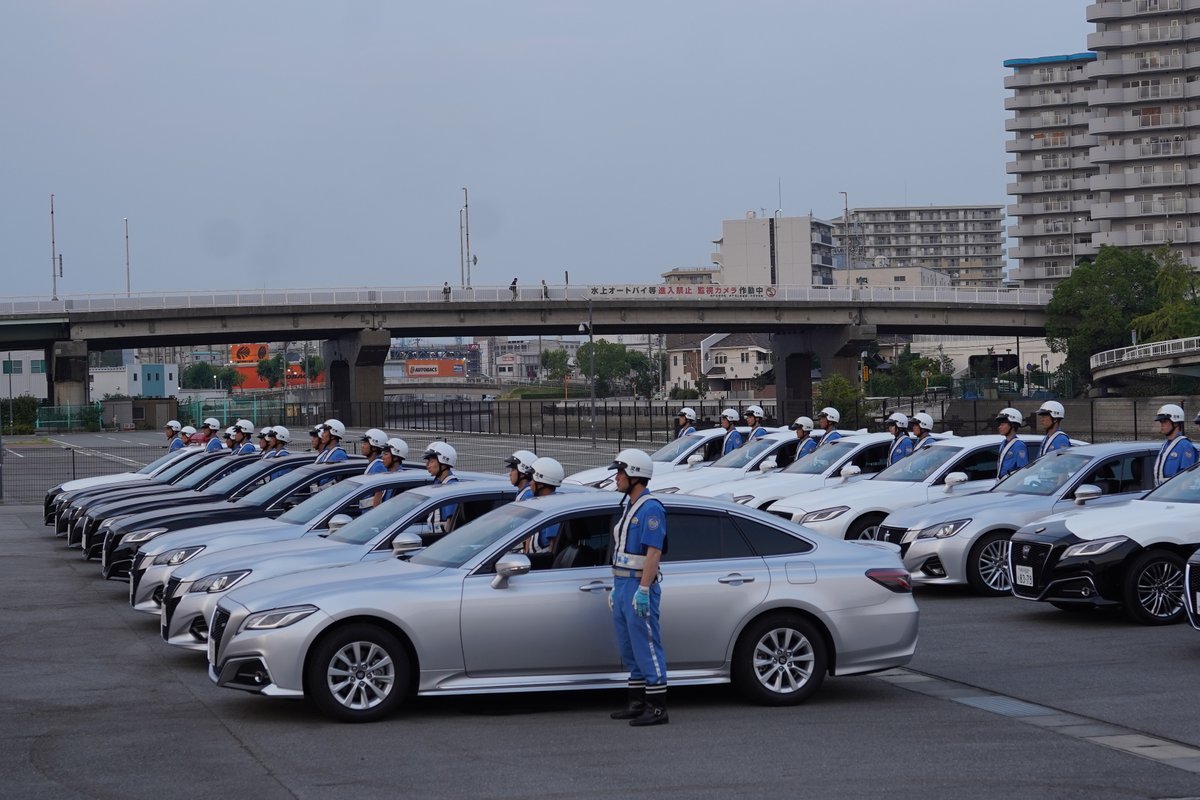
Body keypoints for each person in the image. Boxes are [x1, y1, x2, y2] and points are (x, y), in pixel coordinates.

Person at [607, 448, 669, 727]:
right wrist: (616, 586)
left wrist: (644, 589)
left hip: (637, 584)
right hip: (622, 583)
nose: (617, 477)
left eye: (620, 472)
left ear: (635, 475)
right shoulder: (629, 505)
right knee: (628, 646)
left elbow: (653, 553)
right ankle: (637, 702)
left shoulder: (651, 508)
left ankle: (657, 708)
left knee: (646, 645)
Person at [525, 457, 564, 553]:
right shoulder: (543, 505)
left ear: (541, 484)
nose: (530, 484)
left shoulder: (551, 509)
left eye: (533, 480)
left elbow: (552, 549)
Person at [1154, 404, 1196, 486]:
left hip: (1174, 495)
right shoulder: (1165, 445)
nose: (1161, 424)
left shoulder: (1184, 446)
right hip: (1161, 493)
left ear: (1176, 423)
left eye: (1165, 421)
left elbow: (1187, 478)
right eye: (1161, 422)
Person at [423, 442, 460, 533]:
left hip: (440, 538)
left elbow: (450, 522)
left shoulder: (451, 486)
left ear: (443, 461)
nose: (427, 465)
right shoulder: (438, 482)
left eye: (431, 461)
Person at [372, 437, 410, 507]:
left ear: (395, 457)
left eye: (385, 454)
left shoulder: (400, 481)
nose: (382, 457)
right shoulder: (387, 476)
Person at [995, 408, 1028, 480]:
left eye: (1002, 424)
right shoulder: (1003, 443)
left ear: (1012, 425)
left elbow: (1022, 470)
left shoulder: (1019, 445)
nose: (999, 427)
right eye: (999, 424)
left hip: (1012, 484)